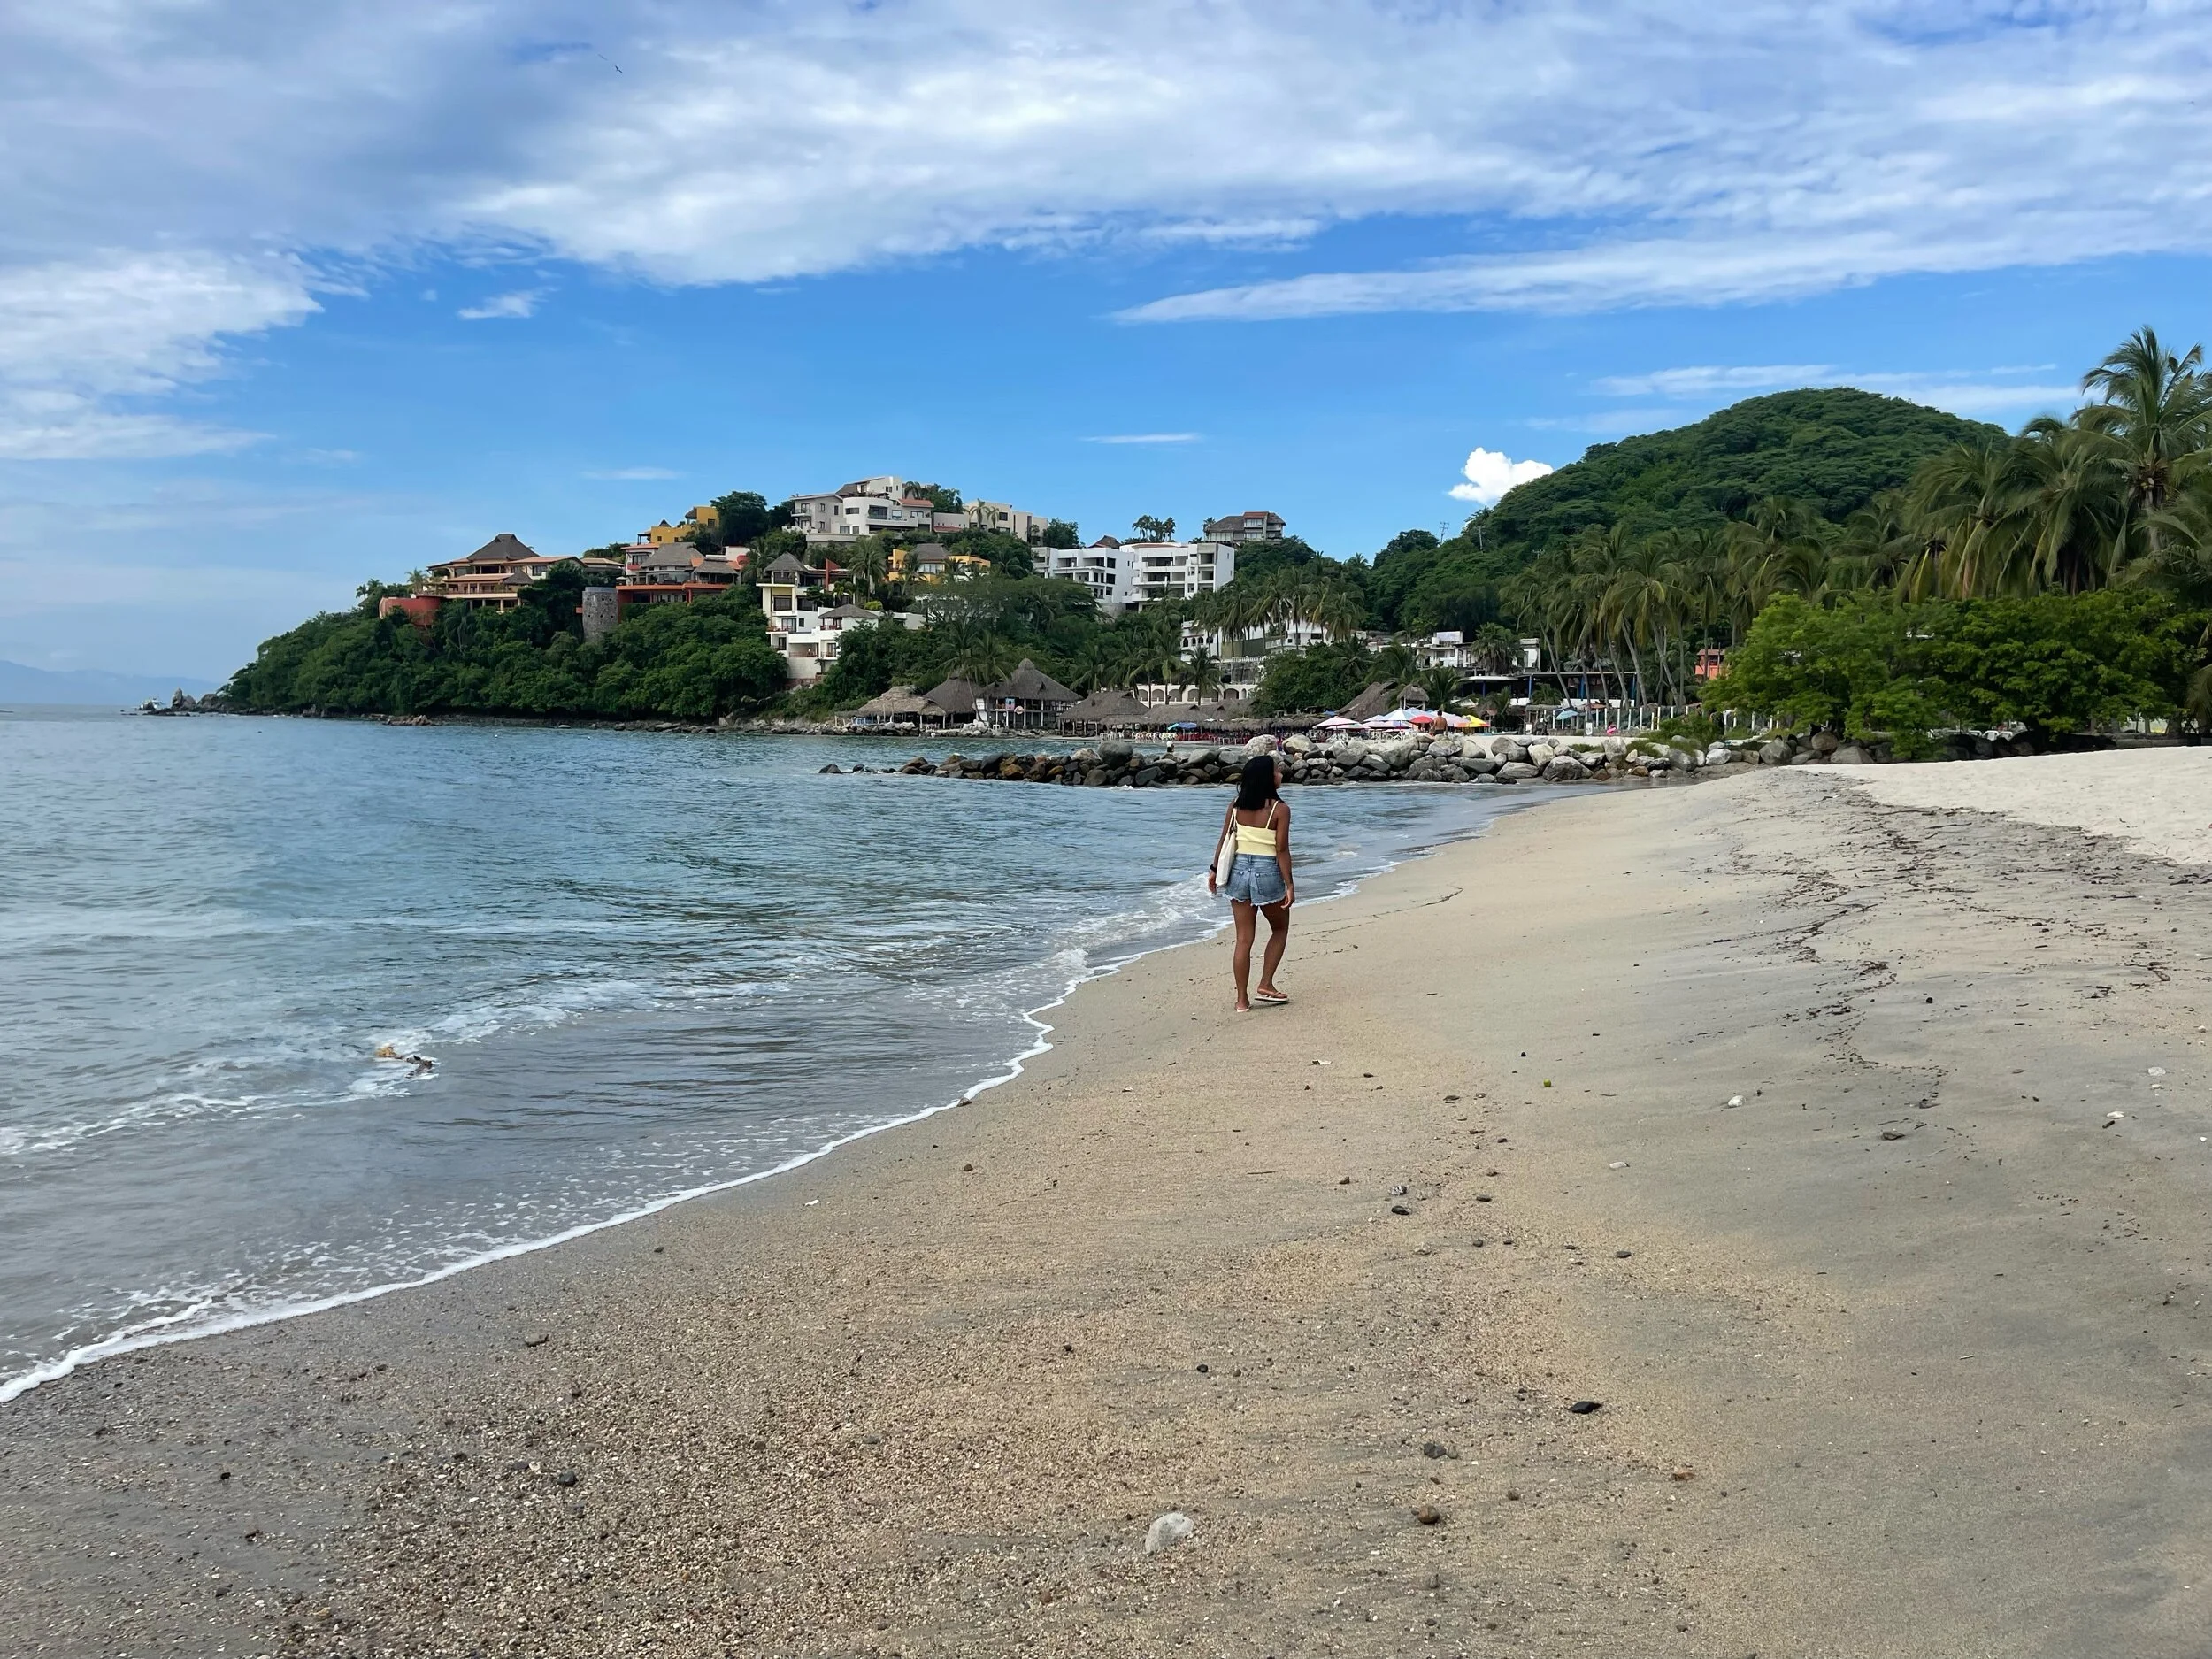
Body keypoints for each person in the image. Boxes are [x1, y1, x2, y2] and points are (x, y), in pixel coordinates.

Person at [1208, 752, 1294, 1010]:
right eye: (1277, 771)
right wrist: (1289, 884)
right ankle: (1266, 984)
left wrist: (1214, 870)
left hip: (1238, 872)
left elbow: (1224, 841)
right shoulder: (1280, 810)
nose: (1281, 774)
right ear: (1268, 778)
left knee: (1244, 938)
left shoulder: (1235, 805)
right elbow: (1281, 850)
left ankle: (1241, 1000)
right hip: (1267, 872)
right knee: (1280, 929)